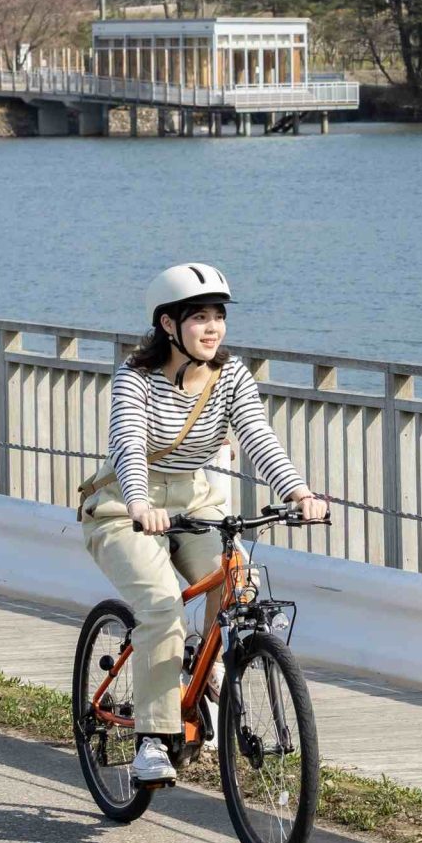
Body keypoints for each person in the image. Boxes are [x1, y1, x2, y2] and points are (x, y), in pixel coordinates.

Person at [79, 263, 328, 786]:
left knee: (238, 583)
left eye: (219, 317)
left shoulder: (230, 375)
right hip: (125, 504)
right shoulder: (135, 376)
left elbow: (258, 436)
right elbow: (126, 445)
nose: (212, 328)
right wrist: (140, 503)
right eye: (199, 317)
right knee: (162, 608)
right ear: (169, 325)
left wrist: (298, 492)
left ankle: (211, 664)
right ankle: (151, 738)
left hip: (194, 500)